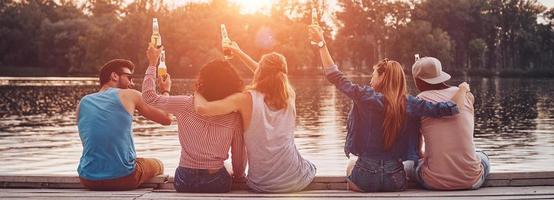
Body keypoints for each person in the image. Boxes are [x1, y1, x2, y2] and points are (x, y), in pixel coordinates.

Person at [308, 25, 470, 192]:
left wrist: (322, 44)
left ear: (382, 77)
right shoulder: (411, 103)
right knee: (407, 167)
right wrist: (462, 89)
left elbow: (334, 75)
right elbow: (450, 108)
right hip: (395, 180)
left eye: (374, 75)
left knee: (350, 164)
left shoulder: (364, 96)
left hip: (364, 177)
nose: (371, 80)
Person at [194, 42, 316, 193]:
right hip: (295, 179)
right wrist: (239, 52)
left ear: (260, 72)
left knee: (227, 168)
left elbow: (202, 109)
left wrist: (198, 90)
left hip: (262, 184)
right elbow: (268, 72)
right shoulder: (289, 95)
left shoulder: (245, 99)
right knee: (309, 166)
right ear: (283, 73)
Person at [141, 45, 247, 193]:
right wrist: (239, 176)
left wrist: (153, 63)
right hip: (216, 182)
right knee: (228, 167)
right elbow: (239, 159)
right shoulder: (234, 116)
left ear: (202, 80)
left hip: (184, 180)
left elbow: (148, 97)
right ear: (234, 84)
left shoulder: (185, 104)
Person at [77, 59, 171, 191]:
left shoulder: (83, 102)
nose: (131, 83)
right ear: (114, 76)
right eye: (129, 77)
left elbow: (92, 143)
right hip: (123, 178)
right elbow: (166, 119)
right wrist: (165, 91)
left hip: (87, 178)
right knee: (158, 164)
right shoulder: (130, 95)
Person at [409, 57, 490, 190]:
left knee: (411, 163)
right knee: (481, 155)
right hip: (472, 180)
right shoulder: (467, 96)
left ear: (417, 80)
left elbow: (417, 148)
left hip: (433, 182)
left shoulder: (420, 100)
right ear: (441, 75)